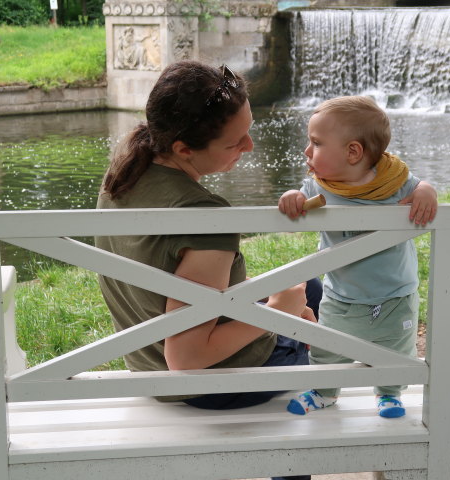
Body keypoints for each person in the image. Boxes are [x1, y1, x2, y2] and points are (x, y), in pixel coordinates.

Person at [95, 61, 321, 450]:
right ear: (183, 148)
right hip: (215, 386)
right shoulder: (204, 217)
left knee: (308, 287)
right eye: (236, 142)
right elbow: (186, 359)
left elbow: (174, 290)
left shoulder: (124, 174)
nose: (249, 147)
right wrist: (278, 313)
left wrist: (268, 299)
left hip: (145, 366)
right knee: (332, 338)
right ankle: (294, 456)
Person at [278, 95, 438, 419]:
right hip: (342, 295)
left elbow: (420, 185)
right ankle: (324, 392)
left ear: (353, 152)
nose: (307, 152)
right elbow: (297, 201)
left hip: (396, 294)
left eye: (316, 143)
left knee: (396, 350)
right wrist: (292, 198)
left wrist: (426, 191)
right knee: (327, 348)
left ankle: (389, 393)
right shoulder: (317, 187)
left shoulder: (394, 182)